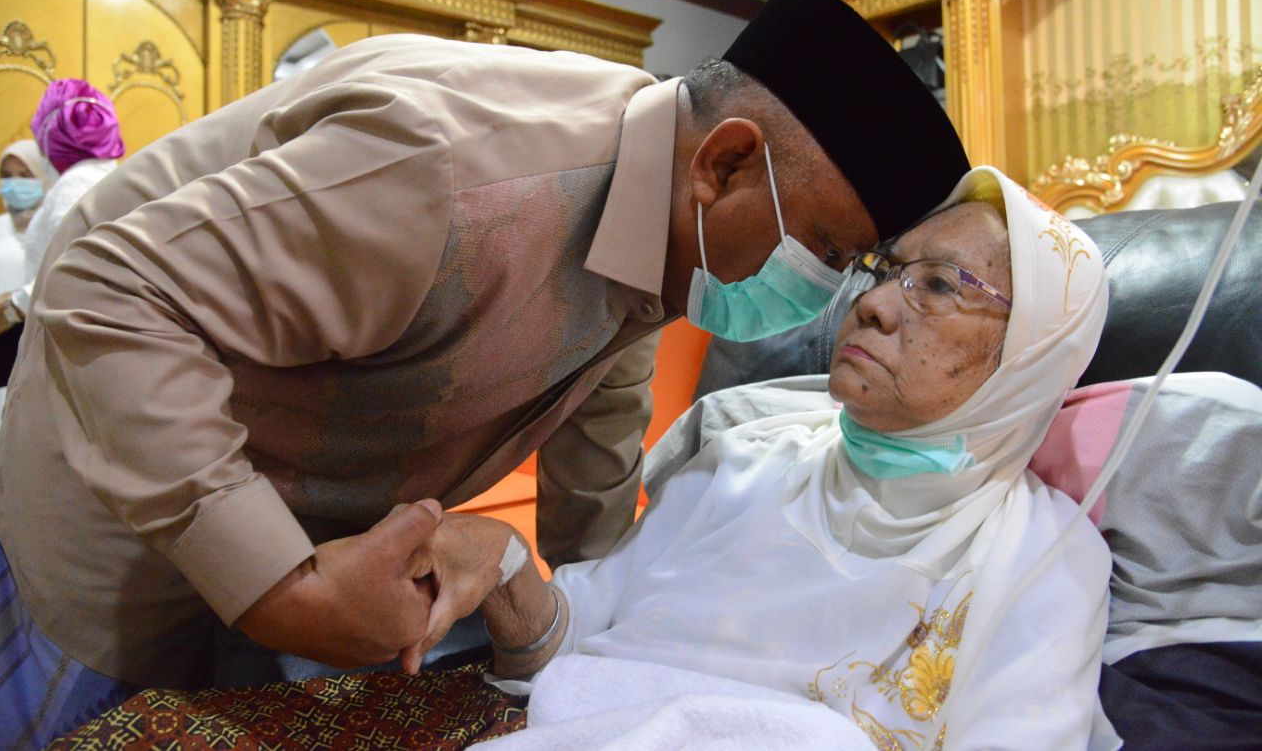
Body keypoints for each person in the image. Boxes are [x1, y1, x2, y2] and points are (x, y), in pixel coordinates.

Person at [0, 0, 970, 747]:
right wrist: (281, 588)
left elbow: (596, 450)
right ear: (721, 163)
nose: (836, 292)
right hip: (122, 486)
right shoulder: (454, 173)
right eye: (830, 253)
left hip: (313, 523)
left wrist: (579, 634)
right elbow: (107, 292)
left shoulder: (666, 226)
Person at [415, 167, 1112, 750]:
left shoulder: (1043, 560)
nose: (870, 305)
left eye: (938, 285)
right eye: (885, 270)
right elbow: (564, 652)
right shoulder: (741, 459)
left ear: (1030, 355)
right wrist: (503, 563)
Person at [0, 81, 125, 387]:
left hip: (66, 335)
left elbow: (72, 264)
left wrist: (9, 309)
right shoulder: (107, 174)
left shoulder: (75, 183)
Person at [0, 141, 53, 456]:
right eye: (7, 175)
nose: (14, 184)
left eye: (25, 175)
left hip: (41, 347)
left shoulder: (54, 226)